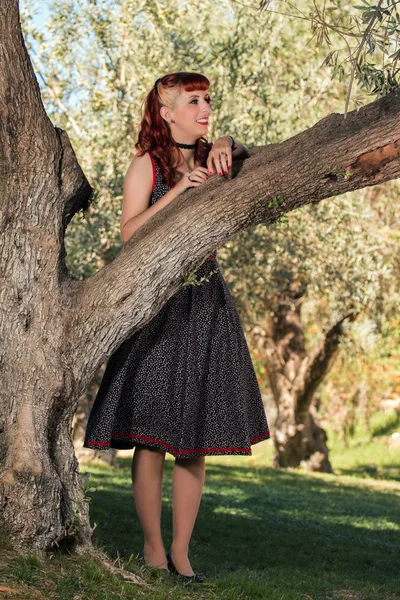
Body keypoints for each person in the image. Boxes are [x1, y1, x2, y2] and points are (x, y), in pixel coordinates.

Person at [83, 71, 271, 583]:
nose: (205, 107)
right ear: (167, 111)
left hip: (207, 302)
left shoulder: (218, 154)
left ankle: (182, 553)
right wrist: (177, 193)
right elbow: (129, 234)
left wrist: (229, 142)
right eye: (194, 101)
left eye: (208, 99)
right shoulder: (146, 163)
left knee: (196, 439)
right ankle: (151, 548)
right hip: (158, 309)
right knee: (152, 436)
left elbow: (252, 155)